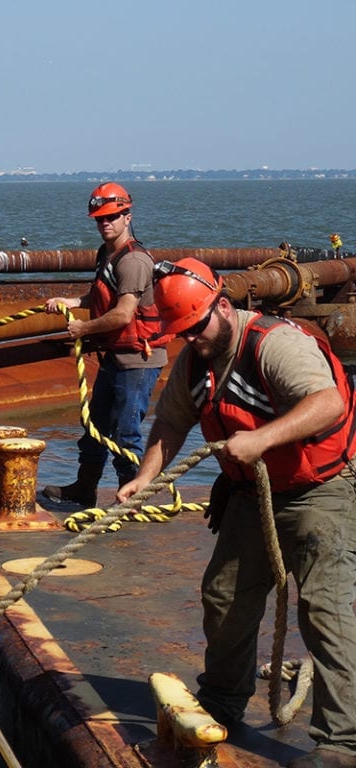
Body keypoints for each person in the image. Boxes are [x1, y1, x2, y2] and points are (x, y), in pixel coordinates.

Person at [118, 257, 356, 768]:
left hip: (322, 491)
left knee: (325, 610)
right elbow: (171, 425)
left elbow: (328, 404)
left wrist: (261, 440)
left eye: (198, 326)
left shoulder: (276, 345)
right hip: (252, 497)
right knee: (224, 597)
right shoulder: (193, 362)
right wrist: (145, 477)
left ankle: (341, 742)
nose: (192, 339)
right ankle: (224, 700)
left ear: (223, 307)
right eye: (181, 333)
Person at [42, 182, 169, 506]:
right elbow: (101, 298)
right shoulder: (107, 255)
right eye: (100, 219)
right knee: (96, 426)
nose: (105, 224)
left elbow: (124, 315)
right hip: (115, 357)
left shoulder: (134, 261)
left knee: (127, 434)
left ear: (128, 216)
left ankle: (131, 499)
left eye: (112, 217)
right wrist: (69, 300)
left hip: (138, 360)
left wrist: (82, 328)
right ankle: (85, 488)